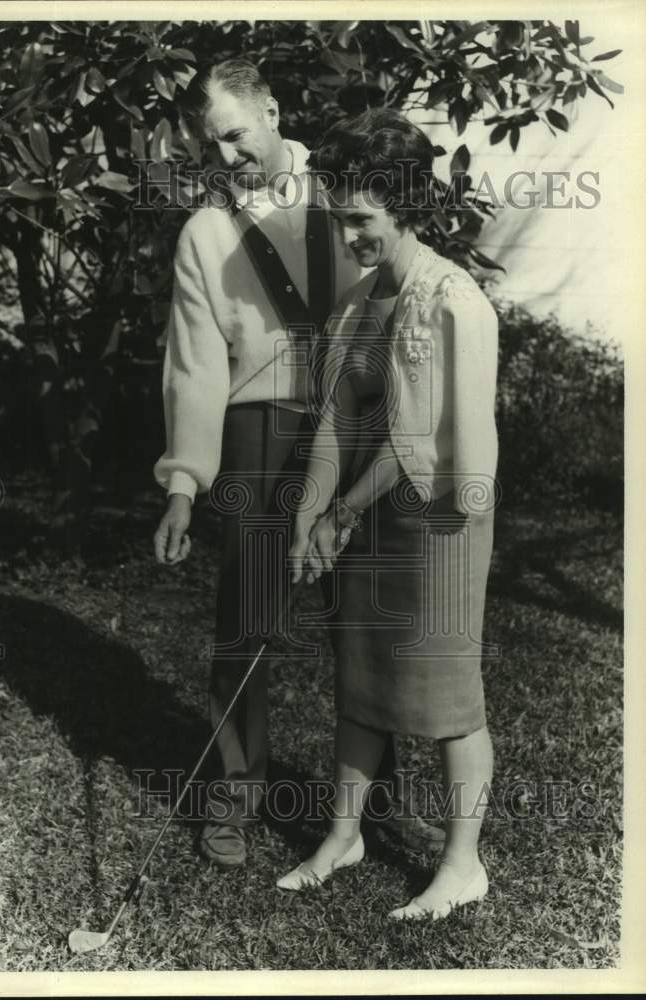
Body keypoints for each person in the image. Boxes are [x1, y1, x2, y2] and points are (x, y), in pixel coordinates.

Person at [152, 60, 444, 868]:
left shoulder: (347, 190)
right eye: (212, 145)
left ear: (271, 110)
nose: (226, 156)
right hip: (260, 427)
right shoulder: (204, 235)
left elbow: (402, 291)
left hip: (359, 416)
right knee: (247, 618)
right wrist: (184, 482)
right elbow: (195, 367)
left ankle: (376, 803)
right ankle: (235, 794)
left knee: (370, 613)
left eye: (235, 134)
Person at [279, 107, 499, 921]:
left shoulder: (450, 300)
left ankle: (461, 863)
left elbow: (417, 437)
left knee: (447, 699)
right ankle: (344, 835)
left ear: (404, 206)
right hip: (367, 512)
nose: (349, 238)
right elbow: (336, 422)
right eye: (340, 221)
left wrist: (337, 516)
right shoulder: (357, 305)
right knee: (359, 681)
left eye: (362, 221)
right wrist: (309, 517)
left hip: (442, 515)